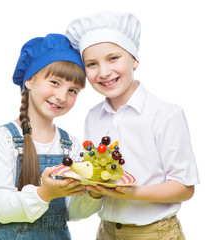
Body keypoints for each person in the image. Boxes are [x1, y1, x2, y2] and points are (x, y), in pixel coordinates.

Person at [66, 12, 200, 239]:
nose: (104, 72)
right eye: (92, 64)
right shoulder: (93, 116)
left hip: (154, 232)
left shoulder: (165, 114)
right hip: (107, 231)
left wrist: (131, 192)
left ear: (135, 59)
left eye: (113, 58)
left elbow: (185, 188)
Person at [0, 33, 96, 240]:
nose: (62, 96)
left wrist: (95, 194)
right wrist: (45, 193)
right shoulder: (3, 139)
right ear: (29, 80)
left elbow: (71, 211)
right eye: (55, 82)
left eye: (72, 90)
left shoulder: (70, 144)